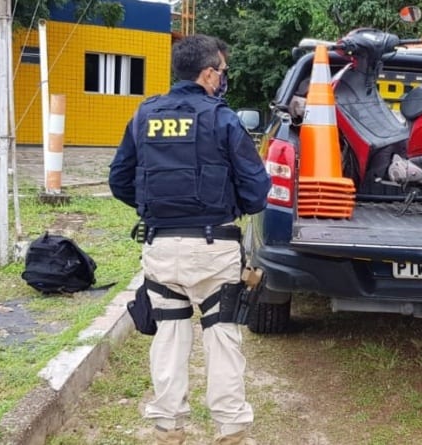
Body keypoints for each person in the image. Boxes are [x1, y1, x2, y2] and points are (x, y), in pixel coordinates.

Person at [109, 34, 271, 445]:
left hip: (160, 247)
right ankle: (231, 428)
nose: (223, 79)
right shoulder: (223, 118)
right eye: (222, 71)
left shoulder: (143, 115)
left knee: (168, 338)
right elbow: (256, 190)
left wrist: (156, 208)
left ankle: (168, 427)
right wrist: (225, 205)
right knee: (222, 337)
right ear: (208, 73)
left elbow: (119, 181)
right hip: (213, 249)